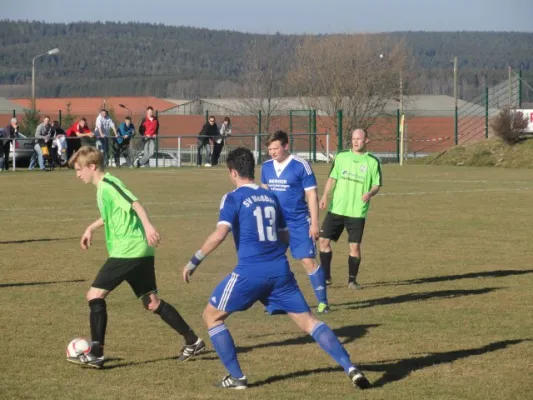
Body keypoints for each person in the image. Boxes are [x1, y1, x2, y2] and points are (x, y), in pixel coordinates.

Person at [182, 147, 370, 390]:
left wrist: (193, 261)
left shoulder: (233, 197)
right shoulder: (270, 197)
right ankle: (350, 367)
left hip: (250, 272)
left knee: (212, 316)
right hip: (280, 271)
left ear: (233, 172)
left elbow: (220, 234)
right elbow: (284, 235)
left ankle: (237, 377)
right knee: (310, 322)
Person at [67, 146, 205, 369]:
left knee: (94, 295)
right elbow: (110, 216)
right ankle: (193, 341)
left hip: (128, 250)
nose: (77, 174)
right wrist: (91, 228)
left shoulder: (110, 184)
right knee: (151, 303)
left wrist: (149, 227)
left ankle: (97, 353)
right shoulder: (102, 188)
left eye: (79, 169)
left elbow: (135, 204)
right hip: (139, 251)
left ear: (92, 167)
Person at [261, 130, 329, 313]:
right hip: (275, 224)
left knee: (307, 261)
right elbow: (264, 195)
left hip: (299, 222)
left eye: (276, 148)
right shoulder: (266, 167)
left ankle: (323, 302)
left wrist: (314, 224)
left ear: (286, 146)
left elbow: (312, 195)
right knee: (271, 262)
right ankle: (275, 304)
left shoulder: (301, 165)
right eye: (270, 149)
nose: (272, 152)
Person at [319, 129, 382, 289]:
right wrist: (325, 196)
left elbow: (377, 184)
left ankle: (352, 280)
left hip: (356, 211)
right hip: (337, 208)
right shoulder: (341, 156)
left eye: (359, 139)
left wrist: (370, 192)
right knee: (323, 241)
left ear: (366, 140)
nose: (355, 142)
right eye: (353, 139)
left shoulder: (373, 161)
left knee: (354, 246)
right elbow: (332, 178)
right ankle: (326, 277)